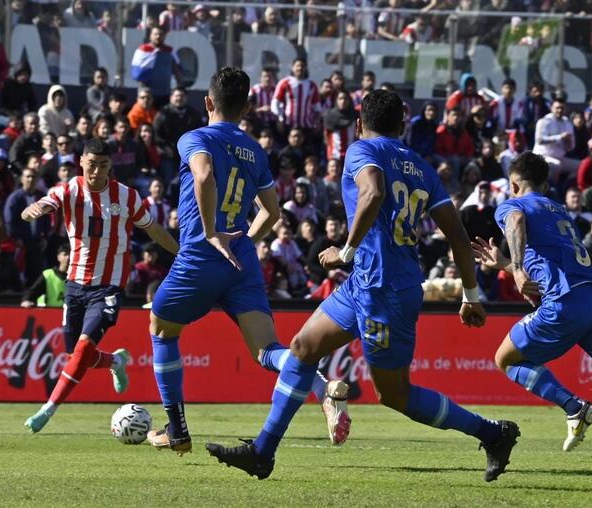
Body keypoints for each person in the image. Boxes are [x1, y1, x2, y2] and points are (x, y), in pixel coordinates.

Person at [207, 89, 519, 482]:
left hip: (384, 290)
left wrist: (346, 251)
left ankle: (493, 434)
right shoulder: (421, 167)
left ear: (358, 123)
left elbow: (372, 191)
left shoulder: (361, 150)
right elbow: (458, 235)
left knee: (395, 395)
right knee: (304, 347)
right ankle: (262, 452)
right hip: (366, 284)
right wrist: (470, 295)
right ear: (403, 125)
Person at [147, 67, 349, 455]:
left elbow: (204, 175)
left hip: (203, 255)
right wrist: (243, 242)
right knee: (265, 351)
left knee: (161, 329)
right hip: (240, 257)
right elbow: (272, 213)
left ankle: (177, 429)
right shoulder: (254, 150)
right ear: (247, 107)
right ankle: (324, 388)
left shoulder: (196, 137)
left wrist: (210, 232)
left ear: (208, 102)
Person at [472, 151, 592, 454]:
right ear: (547, 185)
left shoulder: (513, 205)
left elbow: (515, 220)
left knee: (506, 359)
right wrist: (508, 266)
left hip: (566, 302)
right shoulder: (561, 211)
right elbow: (554, 262)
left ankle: (573, 406)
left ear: (513, 185)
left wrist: (519, 270)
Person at [20, 137, 179, 433]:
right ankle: (115, 361)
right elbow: (45, 202)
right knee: (75, 353)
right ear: (81, 162)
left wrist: (180, 252)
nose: (96, 172)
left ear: (110, 166)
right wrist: (34, 210)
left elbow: (154, 229)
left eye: (103, 165)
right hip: (75, 285)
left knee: (81, 350)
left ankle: (48, 409)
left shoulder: (127, 197)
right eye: (92, 165)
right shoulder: (69, 190)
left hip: (109, 286)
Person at [131, 27, 183, 108]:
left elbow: (177, 70)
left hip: (165, 93)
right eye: (155, 34)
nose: (158, 36)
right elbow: (136, 74)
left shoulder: (169, 51)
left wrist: (179, 86)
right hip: (148, 96)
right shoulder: (143, 50)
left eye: (161, 34)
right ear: (150, 36)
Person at [272, 58, 322, 138]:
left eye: (302, 66)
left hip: (306, 126)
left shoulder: (312, 85)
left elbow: (317, 106)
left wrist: (317, 121)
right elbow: (275, 103)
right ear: (292, 67)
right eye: (297, 66)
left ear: (305, 68)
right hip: (287, 124)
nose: (300, 68)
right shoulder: (285, 83)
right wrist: (279, 118)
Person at [533, 99, 576, 183]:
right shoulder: (544, 121)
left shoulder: (568, 123)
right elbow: (540, 140)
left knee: (580, 165)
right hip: (542, 157)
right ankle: (551, 189)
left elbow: (571, 147)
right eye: (557, 108)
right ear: (552, 108)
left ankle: (566, 186)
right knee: (556, 165)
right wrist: (559, 137)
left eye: (562, 108)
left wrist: (569, 143)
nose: (560, 110)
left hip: (560, 157)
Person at [323, 90, 358, 163]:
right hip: (334, 156)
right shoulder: (330, 115)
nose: (343, 101)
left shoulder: (355, 115)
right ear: (336, 100)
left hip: (352, 155)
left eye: (345, 98)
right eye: (340, 98)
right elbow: (326, 136)